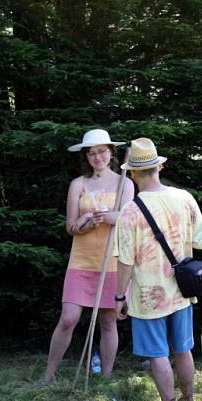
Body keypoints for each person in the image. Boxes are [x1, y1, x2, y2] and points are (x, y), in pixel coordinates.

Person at [115, 138, 202, 401]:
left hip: (148, 296)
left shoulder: (130, 211)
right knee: (183, 350)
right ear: (159, 167)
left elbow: (125, 261)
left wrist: (120, 296)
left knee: (158, 354)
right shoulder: (184, 198)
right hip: (182, 291)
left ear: (132, 173)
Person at [42, 129, 134, 383]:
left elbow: (128, 218)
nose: (98, 157)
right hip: (81, 261)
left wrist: (104, 217)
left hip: (112, 261)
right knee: (69, 318)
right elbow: (70, 227)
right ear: (86, 156)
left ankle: (106, 377)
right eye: (92, 153)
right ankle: (49, 374)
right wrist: (84, 222)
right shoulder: (78, 184)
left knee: (108, 320)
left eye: (102, 151)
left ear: (111, 152)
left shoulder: (124, 182)